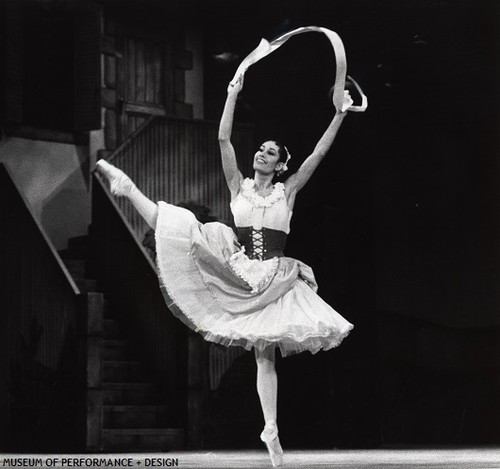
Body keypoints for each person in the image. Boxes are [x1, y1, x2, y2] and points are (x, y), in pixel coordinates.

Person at [96, 73, 354, 468]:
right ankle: (129, 189)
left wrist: (339, 114)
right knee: (188, 232)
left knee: (264, 356)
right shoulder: (238, 185)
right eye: (261, 149)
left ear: (282, 165)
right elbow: (223, 140)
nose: (261, 154)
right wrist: (232, 94)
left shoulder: (290, 190)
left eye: (271, 153)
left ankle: (271, 429)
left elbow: (318, 154)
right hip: (238, 267)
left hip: (275, 278)